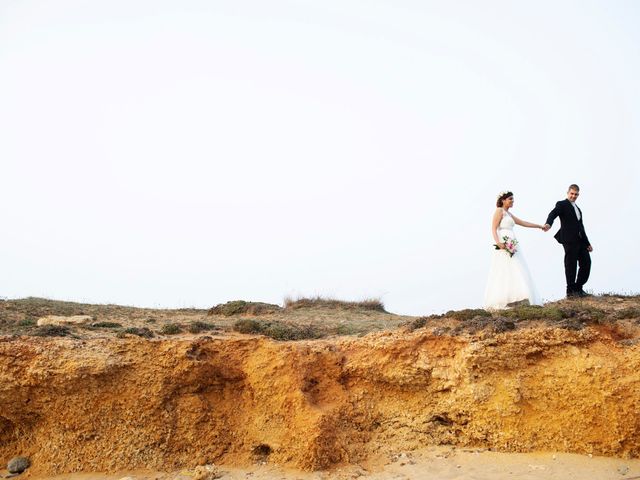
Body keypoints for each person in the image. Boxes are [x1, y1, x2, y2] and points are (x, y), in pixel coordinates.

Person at [483, 191, 545, 310]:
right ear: (503, 200)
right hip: (504, 241)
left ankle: (519, 296)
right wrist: (498, 242)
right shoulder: (499, 211)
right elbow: (493, 228)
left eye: (513, 199)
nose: (512, 201)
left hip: (512, 242)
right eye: (510, 199)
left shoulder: (509, 214)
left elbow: (523, 223)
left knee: (517, 266)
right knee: (505, 267)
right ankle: (505, 299)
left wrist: (539, 226)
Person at [543, 184, 593, 297]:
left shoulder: (578, 209)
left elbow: (581, 227)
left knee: (586, 263)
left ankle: (578, 288)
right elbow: (553, 213)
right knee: (571, 265)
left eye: (576, 194)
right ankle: (570, 292)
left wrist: (587, 243)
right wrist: (548, 223)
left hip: (580, 241)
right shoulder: (562, 204)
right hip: (569, 240)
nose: (573, 196)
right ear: (568, 193)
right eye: (572, 193)